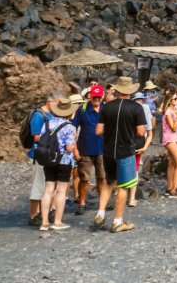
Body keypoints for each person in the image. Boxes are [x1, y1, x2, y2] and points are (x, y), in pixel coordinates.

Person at [95, 77, 146, 233]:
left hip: (108, 150)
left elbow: (98, 131)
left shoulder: (107, 107)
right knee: (123, 186)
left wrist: (111, 131)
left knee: (108, 182)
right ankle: (117, 221)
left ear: (118, 90)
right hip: (125, 151)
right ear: (130, 91)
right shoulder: (137, 108)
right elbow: (140, 132)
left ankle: (100, 213)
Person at [39, 97, 78, 231]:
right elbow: (69, 148)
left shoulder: (47, 124)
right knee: (61, 190)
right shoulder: (69, 127)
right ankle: (57, 221)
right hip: (64, 161)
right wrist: (73, 146)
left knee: (48, 189)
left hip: (48, 160)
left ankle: (44, 222)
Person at [27, 90, 65, 226]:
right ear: (51, 101)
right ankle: (33, 215)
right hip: (40, 155)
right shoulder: (39, 115)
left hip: (48, 155)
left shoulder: (50, 115)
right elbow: (36, 136)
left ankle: (44, 212)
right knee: (38, 185)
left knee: (47, 185)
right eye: (58, 103)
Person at [72, 84, 105, 216]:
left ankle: (102, 202)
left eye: (98, 96)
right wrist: (75, 149)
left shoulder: (106, 109)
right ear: (90, 96)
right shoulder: (82, 109)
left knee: (102, 177)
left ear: (101, 96)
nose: (96, 99)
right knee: (84, 178)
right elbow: (73, 128)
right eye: (94, 96)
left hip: (102, 149)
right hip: (85, 148)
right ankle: (82, 203)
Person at [128, 92, 152, 206]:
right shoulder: (145, 109)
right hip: (138, 143)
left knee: (126, 169)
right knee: (135, 169)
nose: (140, 101)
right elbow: (148, 131)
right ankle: (131, 198)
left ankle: (122, 194)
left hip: (129, 143)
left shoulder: (130, 109)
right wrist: (145, 147)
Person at [161, 94, 177, 198]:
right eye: (175, 98)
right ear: (170, 101)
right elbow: (173, 128)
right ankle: (174, 190)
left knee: (171, 163)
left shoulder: (172, 111)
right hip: (170, 140)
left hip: (172, 139)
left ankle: (169, 188)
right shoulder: (169, 112)